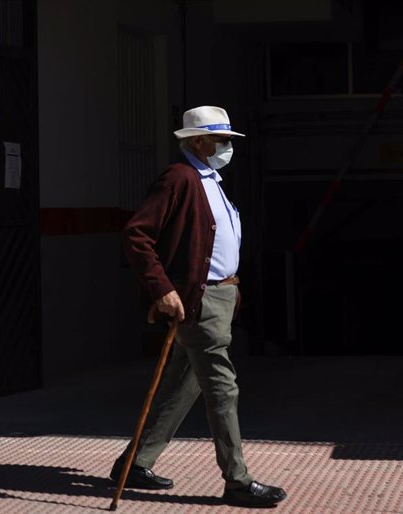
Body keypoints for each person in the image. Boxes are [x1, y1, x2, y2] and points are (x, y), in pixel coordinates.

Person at [110, 106, 287, 508]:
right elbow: (137, 236)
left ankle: (134, 464)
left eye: (229, 140)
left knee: (182, 382)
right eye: (221, 140)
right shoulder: (180, 177)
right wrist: (162, 289)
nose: (227, 147)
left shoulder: (209, 179)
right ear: (197, 142)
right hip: (198, 299)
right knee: (222, 388)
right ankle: (237, 480)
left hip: (220, 296)